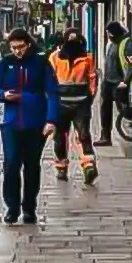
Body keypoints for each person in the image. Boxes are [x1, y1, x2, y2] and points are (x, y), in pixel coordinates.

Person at [0, 27, 60, 225]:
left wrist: (51, 120)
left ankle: (29, 207)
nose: (17, 51)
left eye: (20, 47)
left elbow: (52, 92)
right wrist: (3, 95)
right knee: (11, 165)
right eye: (13, 47)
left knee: (31, 166)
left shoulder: (40, 63)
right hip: (12, 123)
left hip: (35, 122)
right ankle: (12, 208)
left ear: (28, 44)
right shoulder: (6, 63)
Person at [49, 28, 98, 184]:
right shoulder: (55, 57)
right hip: (62, 103)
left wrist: (89, 97)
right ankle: (62, 167)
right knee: (61, 137)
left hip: (79, 103)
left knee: (82, 135)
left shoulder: (87, 58)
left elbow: (92, 79)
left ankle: (88, 166)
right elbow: (49, 80)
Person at [97, 21, 132, 146]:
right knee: (105, 108)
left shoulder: (126, 43)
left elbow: (131, 64)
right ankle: (105, 136)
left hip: (119, 82)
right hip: (108, 80)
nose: (108, 35)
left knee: (123, 109)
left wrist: (126, 81)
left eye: (109, 33)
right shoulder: (111, 43)